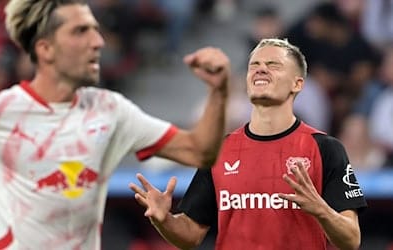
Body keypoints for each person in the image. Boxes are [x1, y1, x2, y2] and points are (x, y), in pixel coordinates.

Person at [0, 0, 231, 249]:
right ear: (46, 49)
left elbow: (198, 153)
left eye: (95, 30)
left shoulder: (111, 110)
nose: (98, 41)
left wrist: (218, 92)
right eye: (81, 31)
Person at [130, 38, 368, 250]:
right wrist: (164, 220)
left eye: (273, 65)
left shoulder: (325, 148)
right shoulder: (219, 151)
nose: (261, 69)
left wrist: (321, 209)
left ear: (297, 84)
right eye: (254, 65)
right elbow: (190, 235)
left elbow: (351, 240)